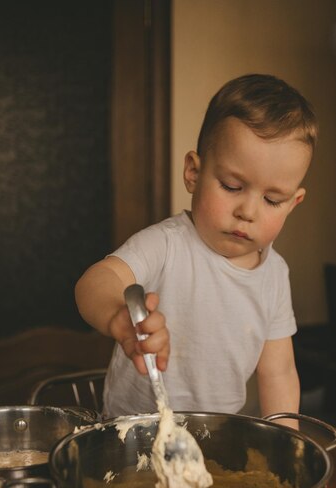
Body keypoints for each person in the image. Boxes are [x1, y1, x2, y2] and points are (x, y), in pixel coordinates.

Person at [75, 74, 318, 423]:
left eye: (271, 199)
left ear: (293, 203)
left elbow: (277, 372)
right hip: (131, 436)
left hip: (216, 439)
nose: (247, 212)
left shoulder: (275, 274)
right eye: (232, 186)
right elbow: (96, 281)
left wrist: (289, 448)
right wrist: (118, 314)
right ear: (193, 172)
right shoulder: (168, 243)